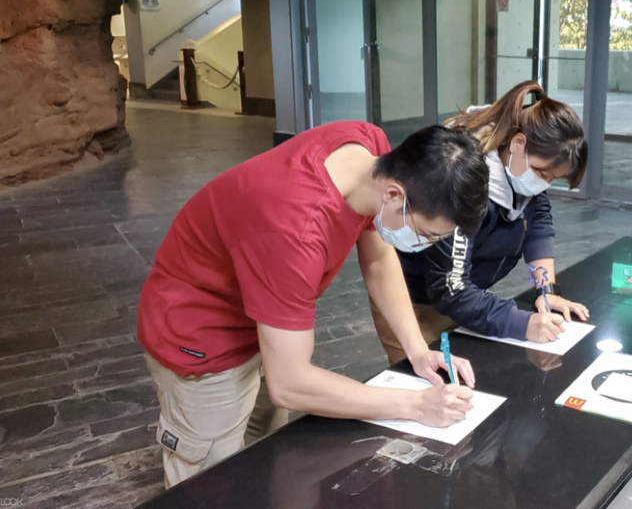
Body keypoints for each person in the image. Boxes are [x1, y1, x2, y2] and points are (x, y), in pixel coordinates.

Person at [136, 121, 491, 487]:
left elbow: (378, 259)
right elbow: (290, 384)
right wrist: (416, 406)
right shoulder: (295, 232)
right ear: (395, 195)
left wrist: (416, 349)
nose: (427, 245)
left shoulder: (369, 150)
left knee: (261, 458)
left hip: (261, 319)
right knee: (209, 483)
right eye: (426, 234)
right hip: (199, 332)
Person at [371, 80, 590, 365]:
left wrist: (547, 291)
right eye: (542, 173)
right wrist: (521, 324)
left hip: (463, 298)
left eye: (552, 179)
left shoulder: (521, 171)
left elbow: (538, 221)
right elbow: (450, 287)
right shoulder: (465, 186)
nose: (543, 183)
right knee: (424, 384)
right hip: (413, 301)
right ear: (518, 143)